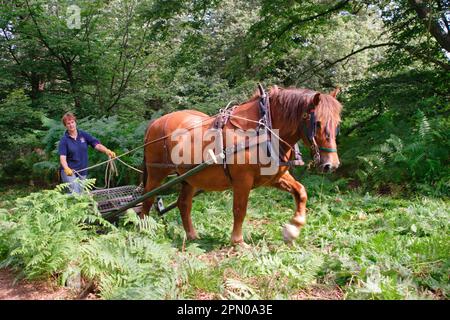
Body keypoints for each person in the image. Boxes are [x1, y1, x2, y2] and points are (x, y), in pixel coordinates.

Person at [58, 112, 116, 194]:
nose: (71, 125)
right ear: (65, 126)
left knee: (81, 194)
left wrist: (107, 151)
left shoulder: (83, 135)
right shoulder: (64, 140)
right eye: (68, 123)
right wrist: (66, 168)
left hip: (82, 171)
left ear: (75, 122)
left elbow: (97, 145)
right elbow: (62, 158)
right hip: (70, 172)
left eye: (72, 122)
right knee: (74, 193)